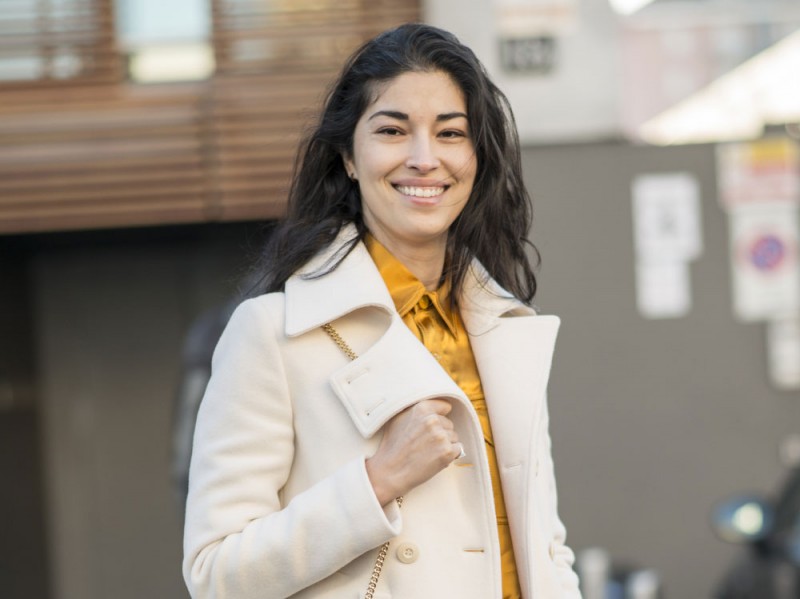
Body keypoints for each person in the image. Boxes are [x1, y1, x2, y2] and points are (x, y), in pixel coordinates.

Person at [183, 23, 581, 599]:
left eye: (450, 133)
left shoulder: (505, 326)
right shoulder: (273, 333)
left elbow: (545, 544)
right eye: (393, 130)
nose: (425, 159)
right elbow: (215, 572)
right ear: (348, 155)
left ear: (477, 155)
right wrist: (377, 481)